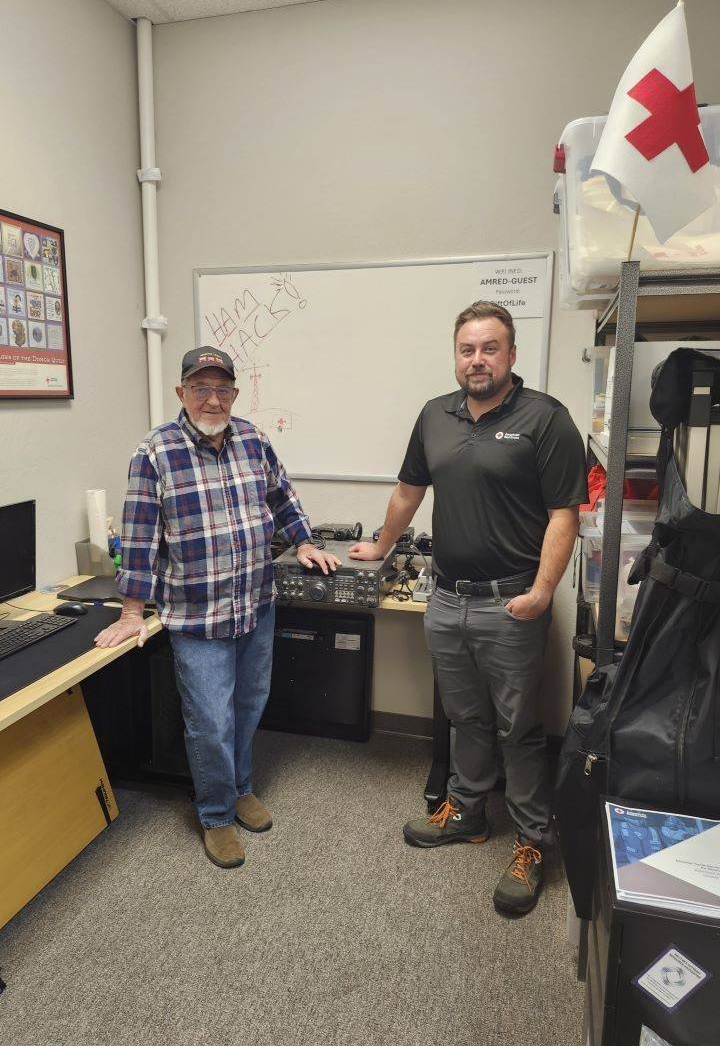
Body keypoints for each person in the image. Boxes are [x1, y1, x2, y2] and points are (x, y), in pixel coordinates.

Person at [349, 301, 586, 915]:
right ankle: (468, 812)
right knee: (464, 718)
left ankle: (533, 841)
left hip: (511, 605)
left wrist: (540, 591)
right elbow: (408, 491)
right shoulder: (435, 416)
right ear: (456, 355)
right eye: (466, 349)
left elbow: (566, 514)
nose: (476, 359)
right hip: (445, 597)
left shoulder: (546, 419)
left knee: (520, 729)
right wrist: (380, 544)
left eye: (489, 348)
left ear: (511, 355)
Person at [95, 345, 339, 868]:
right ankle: (215, 814)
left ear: (234, 392)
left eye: (222, 389)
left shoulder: (253, 439)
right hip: (197, 615)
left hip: (255, 603)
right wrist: (132, 611)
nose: (212, 399)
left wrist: (304, 541)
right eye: (200, 388)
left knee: (249, 704)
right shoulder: (155, 452)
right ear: (181, 393)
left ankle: (241, 787)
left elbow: (282, 496)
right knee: (209, 720)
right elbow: (139, 537)